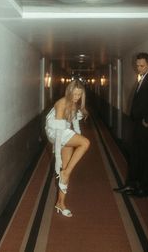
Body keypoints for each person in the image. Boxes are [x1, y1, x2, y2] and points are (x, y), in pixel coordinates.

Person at [114, 52, 148, 197]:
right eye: (137, 66)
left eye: (142, 66)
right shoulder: (143, 78)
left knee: (145, 157)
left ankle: (144, 187)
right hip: (137, 124)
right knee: (135, 155)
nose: (139, 68)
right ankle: (131, 184)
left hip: (146, 126)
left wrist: (147, 120)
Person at [45, 79, 90, 217]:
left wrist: (77, 138)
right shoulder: (62, 103)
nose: (76, 98)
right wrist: (57, 157)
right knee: (86, 143)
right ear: (69, 92)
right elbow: (58, 133)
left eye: (79, 95)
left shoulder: (74, 105)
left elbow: (75, 127)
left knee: (66, 170)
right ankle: (65, 172)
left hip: (65, 133)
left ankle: (60, 203)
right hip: (55, 132)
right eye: (75, 94)